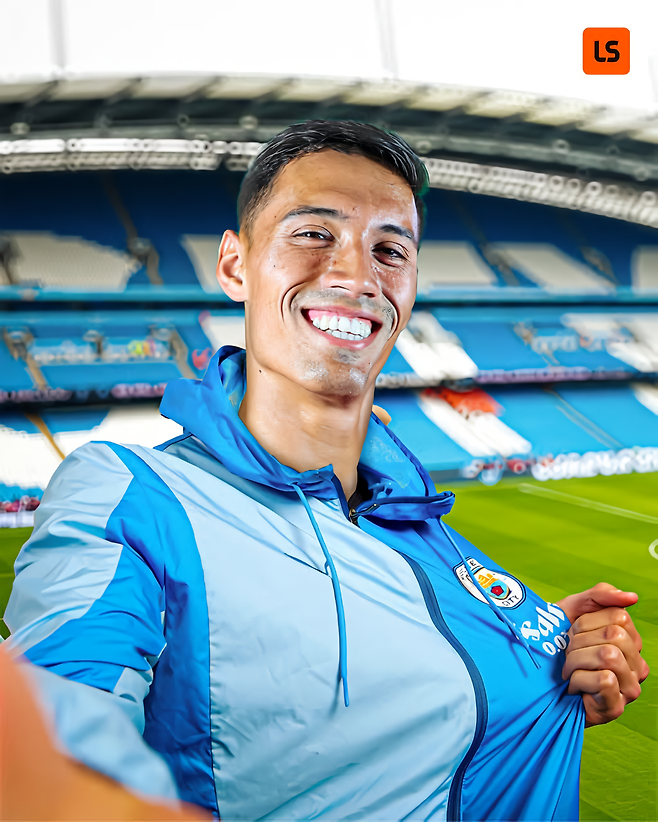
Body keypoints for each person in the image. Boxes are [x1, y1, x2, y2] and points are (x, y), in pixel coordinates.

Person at [4, 121, 648, 821]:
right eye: (313, 233)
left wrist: (545, 651)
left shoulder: (410, 513)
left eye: (390, 250)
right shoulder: (132, 495)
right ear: (235, 266)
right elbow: (53, 760)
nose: (357, 276)